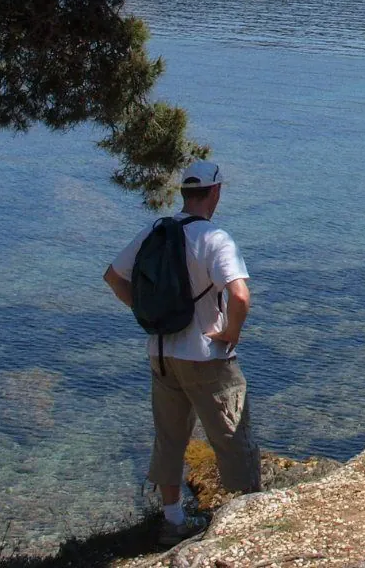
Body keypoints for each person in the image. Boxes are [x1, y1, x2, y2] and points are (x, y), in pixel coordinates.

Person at [104, 160, 261, 547]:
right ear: (215, 192)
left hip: (161, 353)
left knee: (170, 437)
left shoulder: (156, 231)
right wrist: (229, 333)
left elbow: (113, 276)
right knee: (231, 434)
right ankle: (250, 517)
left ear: (183, 193)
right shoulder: (215, 238)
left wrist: (149, 315)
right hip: (207, 355)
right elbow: (240, 296)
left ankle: (172, 520)